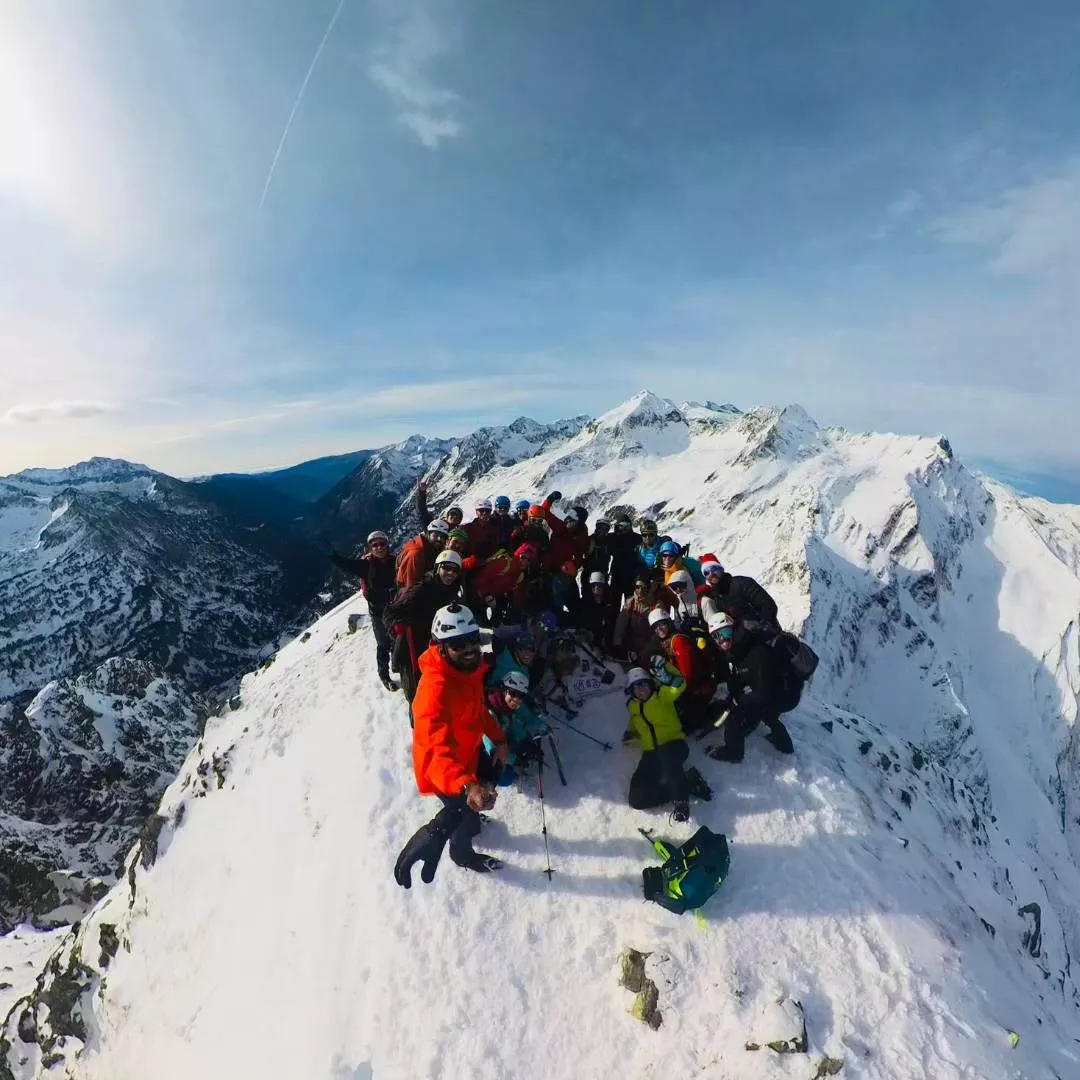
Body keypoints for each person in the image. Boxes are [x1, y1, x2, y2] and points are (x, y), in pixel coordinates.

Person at [394, 605, 509, 886]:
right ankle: (462, 854)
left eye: (472, 639)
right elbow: (434, 754)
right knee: (465, 820)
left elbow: (478, 711)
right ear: (440, 647)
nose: (470, 648)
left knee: (477, 800)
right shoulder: (434, 691)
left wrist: (499, 738)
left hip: (468, 753)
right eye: (458, 643)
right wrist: (467, 786)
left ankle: (471, 819)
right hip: (448, 774)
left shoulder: (466, 671)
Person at [706, 611, 798, 762]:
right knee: (767, 714)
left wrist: (740, 701)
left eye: (725, 632)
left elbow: (763, 692)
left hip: (781, 695)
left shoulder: (755, 652)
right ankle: (785, 745)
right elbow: (744, 675)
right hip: (783, 691)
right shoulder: (742, 646)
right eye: (716, 636)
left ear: (734, 629)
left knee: (735, 717)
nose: (722, 639)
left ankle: (733, 753)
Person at [384, 549, 467, 702]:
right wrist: (397, 630)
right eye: (446, 568)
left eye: (454, 570)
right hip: (412, 650)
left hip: (434, 648)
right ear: (437, 568)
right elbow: (390, 612)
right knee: (416, 695)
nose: (450, 573)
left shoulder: (452, 591)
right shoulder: (421, 589)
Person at [329, 530, 399, 691]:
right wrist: (333, 555)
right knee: (383, 644)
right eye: (375, 545)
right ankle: (385, 676)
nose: (379, 548)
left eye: (382, 544)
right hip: (378, 612)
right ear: (370, 548)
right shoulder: (366, 565)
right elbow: (346, 565)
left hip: (395, 609)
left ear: (387, 545)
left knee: (397, 640)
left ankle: (399, 666)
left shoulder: (395, 561)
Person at [623, 667, 695, 823]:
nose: (641, 689)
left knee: (667, 759)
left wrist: (666, 667)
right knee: (636, 799)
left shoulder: (662, 696)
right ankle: (684, 786)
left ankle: (681, 801)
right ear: (631, 690)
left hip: (674, 744)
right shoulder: (633, 706)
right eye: (636, 686)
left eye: (643, 684)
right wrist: (630, 733)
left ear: (650, 684)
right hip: (651, 753)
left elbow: (679, 683)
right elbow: (634, 722)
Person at [646, 608, 718, 736]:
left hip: (697, 690)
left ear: (668, 622)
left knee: (684, 727)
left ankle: (713, 711)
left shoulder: (678, 641)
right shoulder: (665, 641)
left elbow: (687, 675)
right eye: (655, 627)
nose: (659, 629)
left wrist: (672, 686)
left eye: (662, 624)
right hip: (688, 689)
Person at [611, 571, 677, 664]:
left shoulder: (657, 605)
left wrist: (646, 651)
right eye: (637, 587)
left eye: (643, 587)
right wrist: (617, 643)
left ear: (649, 588)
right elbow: (620, 625)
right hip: (632, 643)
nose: (640, 590)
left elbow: (659, 633)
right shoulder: (630, 602)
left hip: (649, 644)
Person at [711, 568, 780, 630]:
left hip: (768, 635)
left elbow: (768, 605)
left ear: (721, 569)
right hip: (744, 641)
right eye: (706, 573)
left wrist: (762, 626)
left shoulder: (742, 583)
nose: (711, 574)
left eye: (714, 569)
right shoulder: (717, 599)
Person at [540, 492, 590, 574]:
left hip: (563, 573)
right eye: (568, 517)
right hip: (547, 569)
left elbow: (579, 558)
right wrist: (550, 499)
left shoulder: (581, 538)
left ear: (579, 523)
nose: (567, 520)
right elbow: (543, 511)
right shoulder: (560, 526)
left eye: (572, 519)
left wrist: (572, 566)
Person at [397, 519, 449, 587]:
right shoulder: (416, 554)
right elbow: (410, 585)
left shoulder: (432, 548)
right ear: (428, 534)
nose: (439, 539)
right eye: (435, 535)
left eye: (442, 536)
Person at [578, 571, 619, 653]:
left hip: (605, 641)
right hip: (588, 641)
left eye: (599, 585)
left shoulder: (609, 603)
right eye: (594, 585)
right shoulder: (584, 603)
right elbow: (580, 622)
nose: (596, 587)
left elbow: (613, 624)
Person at [608, 514, 641, 603]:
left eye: (627, 526)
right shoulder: (613, 538)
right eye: (622, 526)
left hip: (631, 577)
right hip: (616, 576)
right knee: (614, 604)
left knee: (630, 604)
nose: (625, 529)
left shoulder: (637, 538)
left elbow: (652, 542)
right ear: (618, 526)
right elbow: (599, 540)